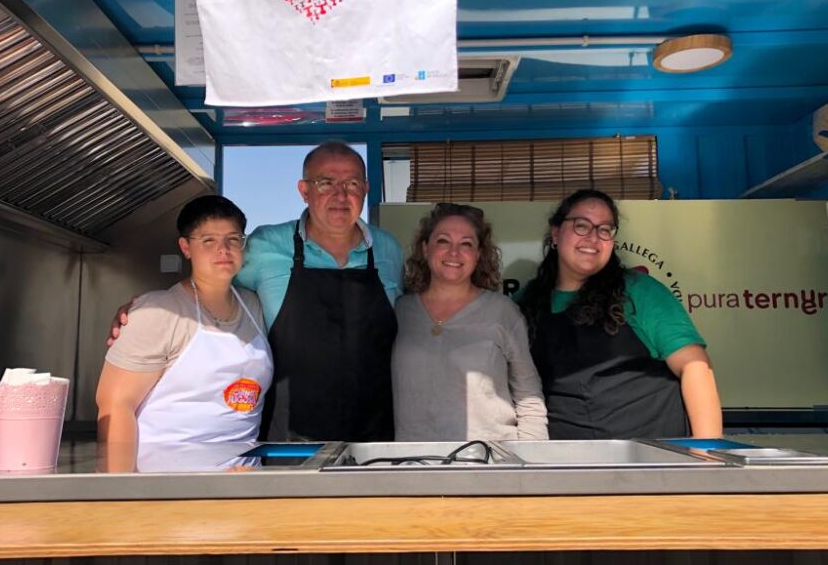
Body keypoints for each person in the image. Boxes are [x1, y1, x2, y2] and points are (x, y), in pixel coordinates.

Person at [109, 141, 403, 442]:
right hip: (288, 436)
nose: (340, 195)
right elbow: (214, 286)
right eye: (326, 182)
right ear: (304, 190)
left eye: (352, 183)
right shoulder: (266, 245)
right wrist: (150, 309)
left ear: (366, 188)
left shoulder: (388, 248)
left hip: (374, 435)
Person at [518, 189, 722, 439]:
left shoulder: (641, 291)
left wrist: (707, 453)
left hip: (651, 461)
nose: (593, 238)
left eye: (604, 229)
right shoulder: (525, 303)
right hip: (566, 463)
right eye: (581, 226)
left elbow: (696, 368)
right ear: (556, 233)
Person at [96, 195, 272, 471]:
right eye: (208, 241)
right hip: (168, 489)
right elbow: (115, 406)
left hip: (244, 483)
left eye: (233, 239)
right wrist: (118, 495)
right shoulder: (158, 312)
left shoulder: (255, 305)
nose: (223, 250)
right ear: (185, 247)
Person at [392, 203, 547, 441]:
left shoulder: (502, 311)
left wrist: (530, 467)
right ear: (425, 248)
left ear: (478, 254)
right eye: (443, 241)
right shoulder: (401, 311)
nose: (454, 252)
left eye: (466, 244)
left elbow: (529, 397)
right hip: (413, 466)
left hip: (489, 467)